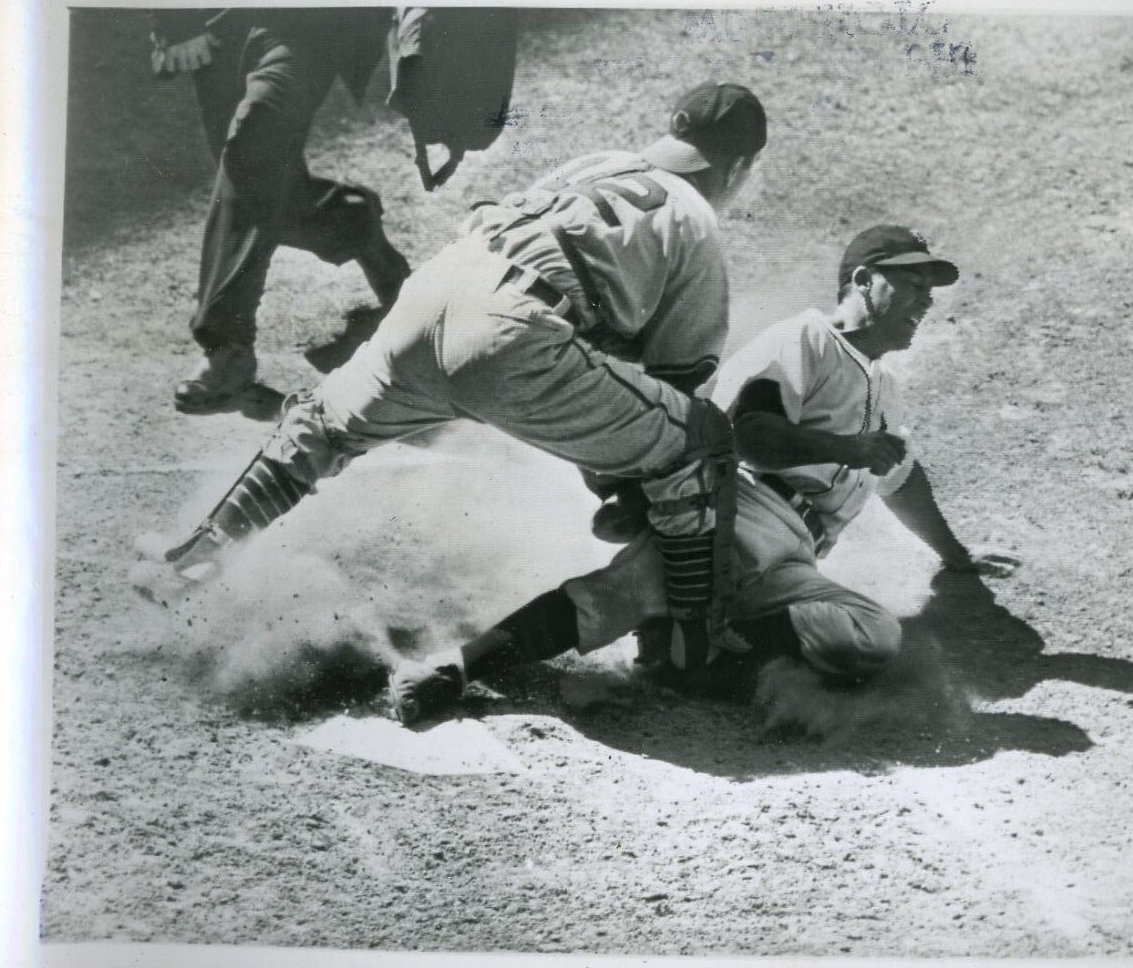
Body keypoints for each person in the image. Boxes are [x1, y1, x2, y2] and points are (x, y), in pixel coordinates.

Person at [133, 80, 769, 658]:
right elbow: (674, 384)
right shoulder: (695, 220)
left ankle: (190, 561)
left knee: (322, 427)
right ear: (739, 168)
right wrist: (628, 484)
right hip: (512, 334)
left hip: (436, 288)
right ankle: (690, 649)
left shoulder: (601, 164)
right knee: (700, 444)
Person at [386, 225, 1019, 726]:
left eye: (930, 289)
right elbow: (750, 434)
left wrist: (956, 559)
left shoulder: (885, 387)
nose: (925, 300)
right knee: (619, 593)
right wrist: (849, 448)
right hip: (730, 513)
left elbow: (900, 480)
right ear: (863, 280)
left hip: (793, 561)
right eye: (911, 284)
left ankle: (685, 652)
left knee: (870, 637)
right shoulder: (806, 339)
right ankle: (454, 666)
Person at [148, 8, 413, 412]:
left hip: (311, 20)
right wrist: (175, 19)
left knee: (252, 151)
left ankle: (228, 352)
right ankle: (355, 223)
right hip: (223, 18)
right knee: (261, 190)